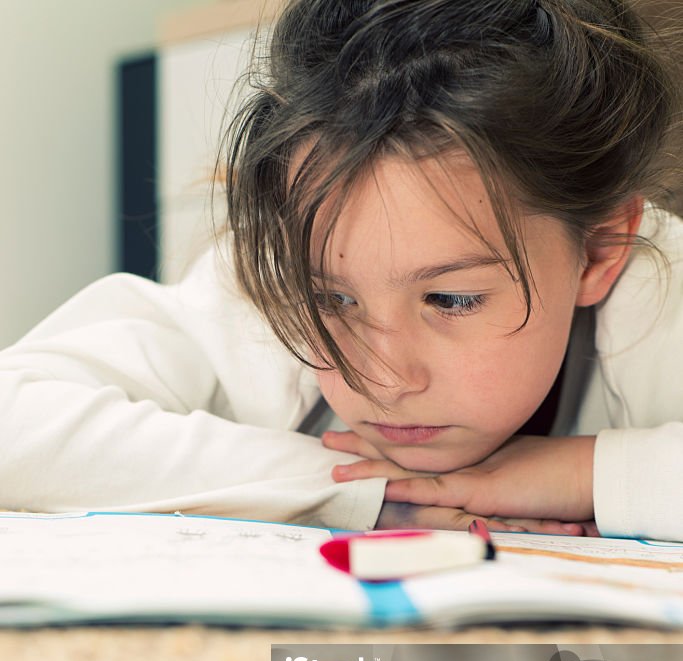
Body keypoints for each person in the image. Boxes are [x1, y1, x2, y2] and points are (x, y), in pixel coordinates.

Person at [0, 0, 681, 540]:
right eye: (332, 300)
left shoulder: (660, 289)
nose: (382, 377)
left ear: (598, 251)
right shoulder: (265, 277)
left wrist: (582, 472)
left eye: (449, 298)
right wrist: (356, 488)